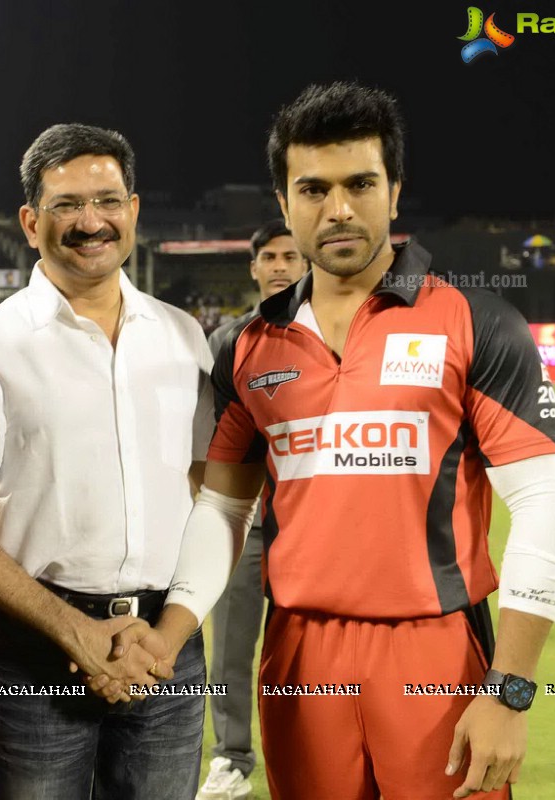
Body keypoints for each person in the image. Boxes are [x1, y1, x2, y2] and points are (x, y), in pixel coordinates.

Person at [148, 82, 555, 799]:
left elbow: (543, 503)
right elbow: (223, 511)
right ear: (284, 205)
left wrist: (509, 688)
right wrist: (173, 626)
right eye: (312, 188)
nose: (338, 208)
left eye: (360, 184)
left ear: (396, 192)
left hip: (434, 651)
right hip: (299, 656)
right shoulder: (247, 347)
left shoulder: (477, 321)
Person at [0, 123, 228, 800]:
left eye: (108, 200)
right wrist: (76, 632)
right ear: (31, 221)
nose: (91, 221)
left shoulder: (185, 338)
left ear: (134, 210)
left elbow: (219, 500)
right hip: (37, 649)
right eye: (67, 204)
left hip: (168, 650)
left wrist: (167, 636)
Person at [197, 222, 307, 800]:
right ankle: (232, 759)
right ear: (254, 267)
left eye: (291, 255)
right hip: (243, 525)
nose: (281, 265)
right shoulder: (230, 342)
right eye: (270, 256)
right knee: (232, 650)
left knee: (311, 654)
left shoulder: (336, 335)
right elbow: (211, 440)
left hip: (313, 529)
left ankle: (314, 748)